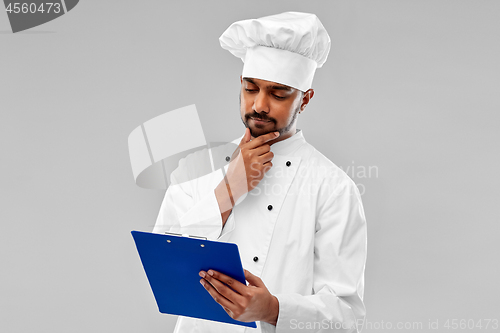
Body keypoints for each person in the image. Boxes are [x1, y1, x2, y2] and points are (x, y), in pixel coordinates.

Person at [153, 12, 367, 333]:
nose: (260, 105)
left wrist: (273, 309)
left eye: (279, 94)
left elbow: (347, 316)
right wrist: (229, 189)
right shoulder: (196, 170)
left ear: (304, 99)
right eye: (251, 89)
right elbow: (163, 268)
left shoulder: (333, 187)